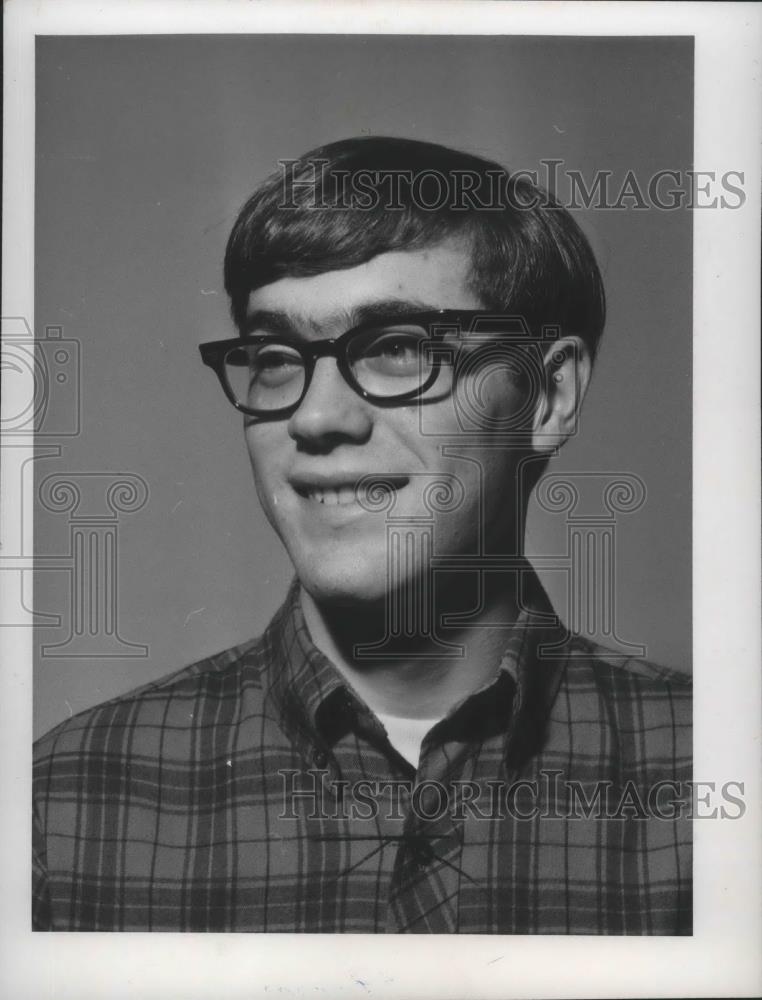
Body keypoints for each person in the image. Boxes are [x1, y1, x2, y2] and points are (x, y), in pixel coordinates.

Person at [32, 136, 691, 933]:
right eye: (276, 357)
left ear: (547, 396)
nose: (315, 417)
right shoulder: (63, 802)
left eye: (397, 348)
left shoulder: (714, 775)